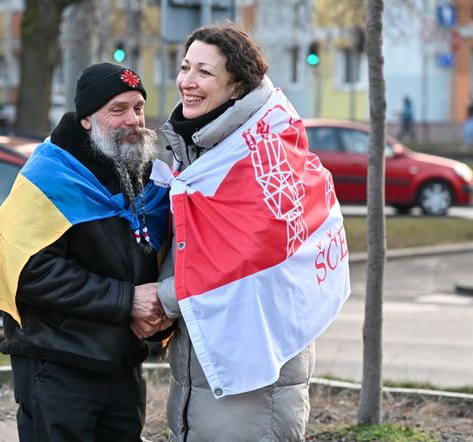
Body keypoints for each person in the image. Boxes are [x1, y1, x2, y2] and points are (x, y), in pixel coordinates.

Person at [136, 23, 351, 441]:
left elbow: (243, 264)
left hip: (255, 382)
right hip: (207, 366)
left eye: (205, 72)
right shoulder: (208, 149)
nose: (187, 82)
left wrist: (158, 299)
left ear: (236, 86)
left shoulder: (262, 156)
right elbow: (193, 249)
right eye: (185, 67)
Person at [0, 62, 171, 442]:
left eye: (137, 108)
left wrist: (159, 308)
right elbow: (30, 272)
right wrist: (127, 300)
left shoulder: (149, 175)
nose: (132, 120)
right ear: (86, 119)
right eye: (117, 110)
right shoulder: (49, 178)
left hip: (123, 365)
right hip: (58, 364)